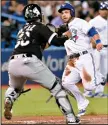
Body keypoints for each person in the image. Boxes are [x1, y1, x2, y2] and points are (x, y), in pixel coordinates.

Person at [4, 4, 80, 124]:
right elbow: (56, 41)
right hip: (29, 61)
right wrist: (67, 36)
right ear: (39, 15)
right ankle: (71, 118)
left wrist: (56, 32)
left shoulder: (22, 30)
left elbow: (40, 45)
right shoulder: (40, 26)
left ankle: (9, 99)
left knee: (14, 88)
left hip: (13, 62)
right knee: (57, 88)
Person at [58, 3, 103, 117]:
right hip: (72, 61)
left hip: (84, 57)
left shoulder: (79, 22)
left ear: (72, 12)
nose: (64, 15)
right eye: (62, 13)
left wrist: (98, 42)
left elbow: (92, 31)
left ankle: (99, 76)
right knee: (66, 83)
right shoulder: (63, 28)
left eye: (66, 12)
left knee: (89, 87)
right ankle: (82, 103)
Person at [83, 1, 108, 98]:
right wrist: (91, 41)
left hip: (106, 48)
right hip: (96, 48)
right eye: (102, 9)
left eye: (106, 9)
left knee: (104, 71)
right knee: (94, 69)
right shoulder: (94, 21)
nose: (104, 12)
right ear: (99, 11)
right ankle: (88, 90)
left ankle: (99, 92)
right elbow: (86, 32)